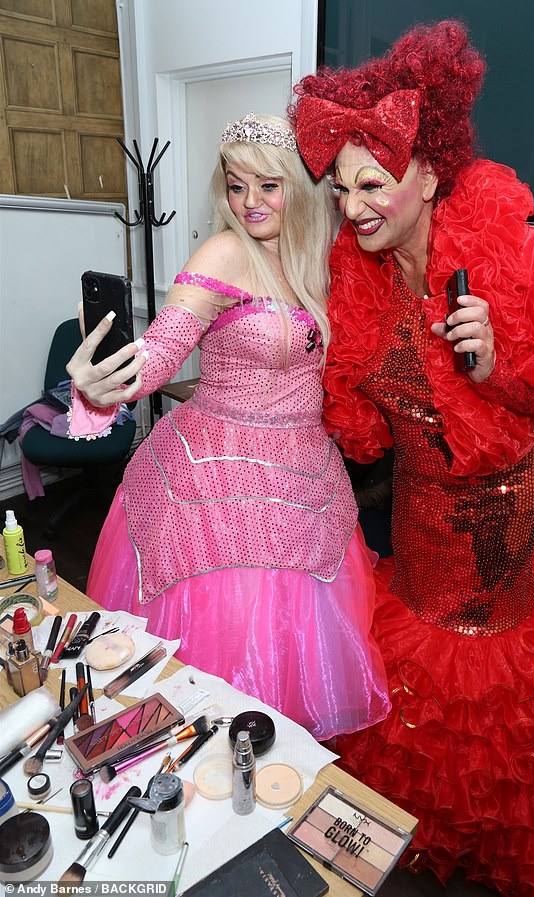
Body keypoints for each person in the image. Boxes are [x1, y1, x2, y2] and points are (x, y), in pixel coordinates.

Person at [289, 22, 534, 897]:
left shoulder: (509, 268)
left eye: (374, 183)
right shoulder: (361, 278)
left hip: (494, 560)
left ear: (429, 176)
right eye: (341, 187)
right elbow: (364, 429)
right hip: (416, 550)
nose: (355, 204)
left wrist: (498, 368)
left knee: (510, 769)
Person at [65, 113, 389, 741]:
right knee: (217, 664)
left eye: (268, 185)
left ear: (300, 186)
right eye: (236, 186)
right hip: (213, 479)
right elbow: (163, 349)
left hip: (303, 477)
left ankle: (275, 776)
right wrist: (106, 384)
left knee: (295, 646)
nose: (249, 202)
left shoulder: (325, 259)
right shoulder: (224, 250)